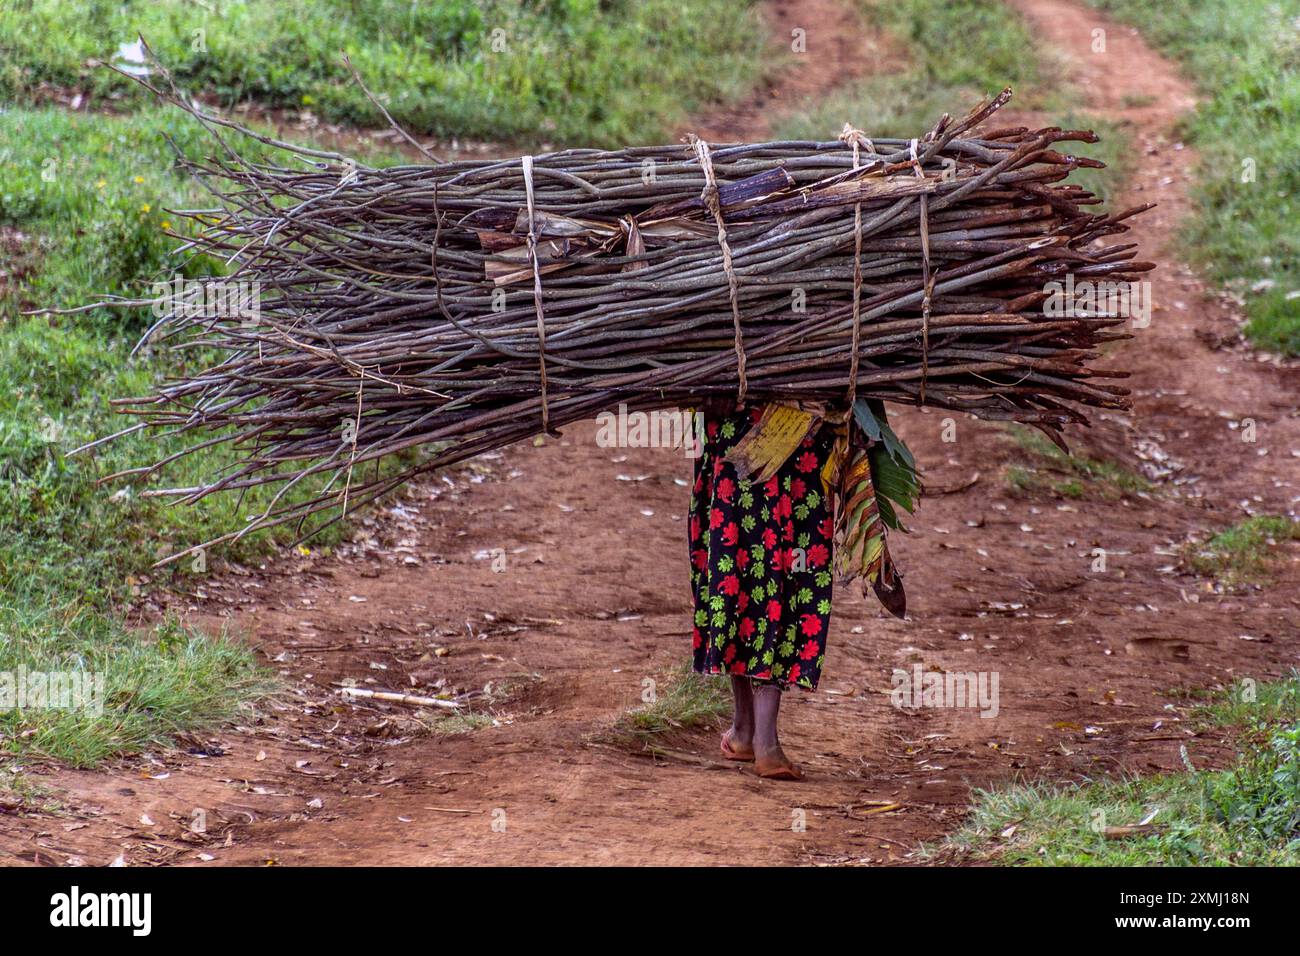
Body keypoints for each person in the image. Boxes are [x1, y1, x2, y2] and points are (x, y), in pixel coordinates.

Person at [687, 401, 838, 781]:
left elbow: (711, 388)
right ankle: (760, 739)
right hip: (798, 451)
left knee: (734, 581)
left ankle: (748, 732)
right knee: (785, 584)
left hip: (734, 449)